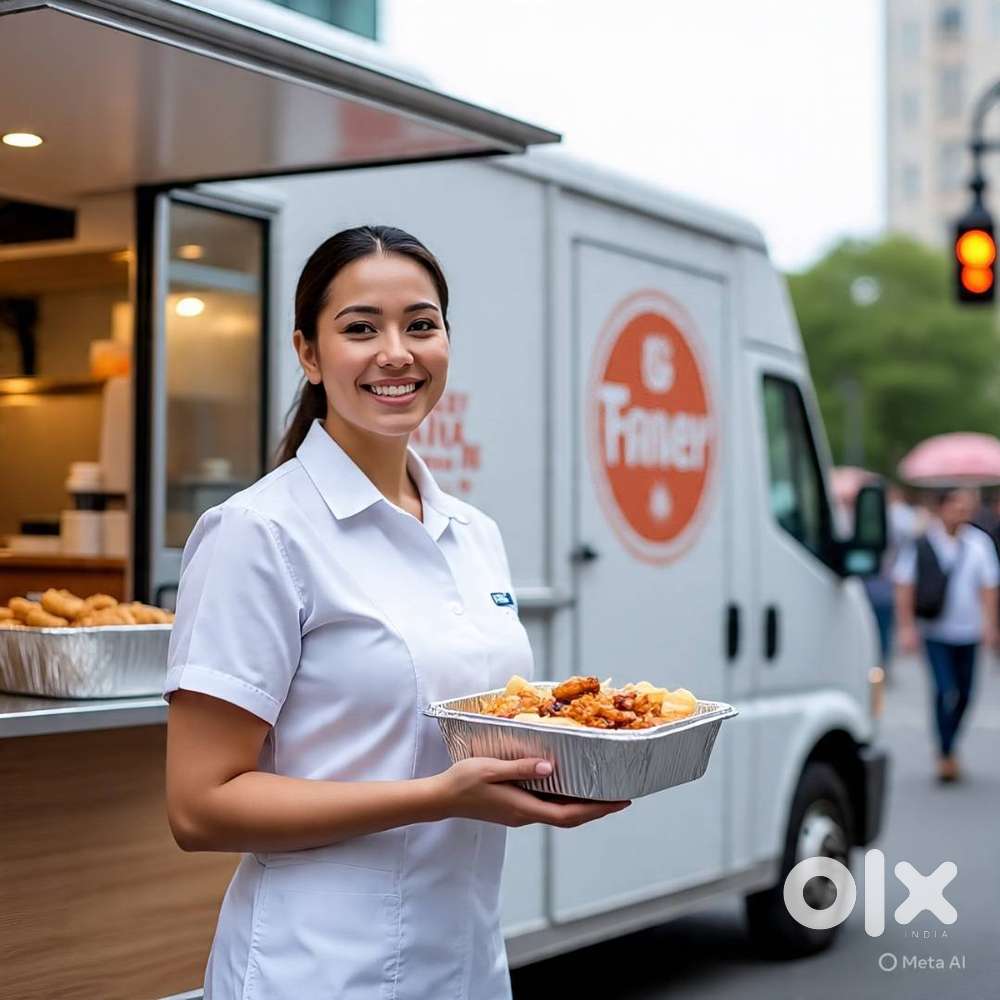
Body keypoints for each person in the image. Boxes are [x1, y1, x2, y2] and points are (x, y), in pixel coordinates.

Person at [162, 226, 631, 1000]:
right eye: (359, 328)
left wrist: (555, 770)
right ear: (308, 354)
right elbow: (199, 806)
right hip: (315, 970)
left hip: (467, 962)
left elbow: (475, 732)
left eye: (421, 324)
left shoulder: (474, 535)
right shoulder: (259, 533)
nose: (396, 352)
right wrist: (438, 797)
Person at [894, 486, 1000, 782]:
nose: (962, 512)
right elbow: (904, 586)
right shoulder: (922, 543)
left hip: (969, 631)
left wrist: (990, 625)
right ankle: (945, 750)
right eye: (957, 505)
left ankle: (950, 743)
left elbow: (989, 587)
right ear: (941, 507)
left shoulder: (979, 543)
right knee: (944, 690)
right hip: (936, 630)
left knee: (965, 693)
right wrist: (905, 627)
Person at [862, 483, 918, 678]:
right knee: (882, 628)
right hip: (883, 583)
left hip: (880, 583)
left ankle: (877, 665)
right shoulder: (901, 519)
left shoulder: (876, 519)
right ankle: (881, 664)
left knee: (876, 627)